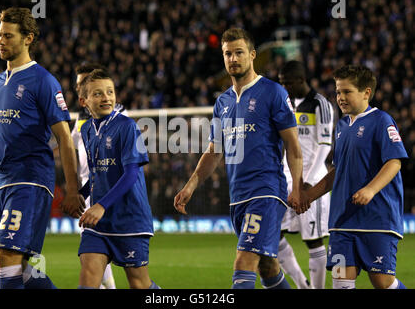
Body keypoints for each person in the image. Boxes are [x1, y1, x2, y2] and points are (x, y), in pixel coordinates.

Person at [174, 28, 308, 289]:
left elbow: (293, 146)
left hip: (266, 191)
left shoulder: (273, 93)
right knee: (267, 266)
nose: (233, 59)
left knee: (243, 261)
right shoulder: (222, 102)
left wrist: (298, 186)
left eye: (238, 53)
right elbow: (215, 150)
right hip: (238, 196)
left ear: (253, 55)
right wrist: (191, 184)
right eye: (228, 54)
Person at [0, 7, 84, 289]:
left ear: (28, 38)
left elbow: (64, 137)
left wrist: (71, 188)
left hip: (30, 181)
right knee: (18, 267)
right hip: (2, 184)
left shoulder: (43, 81)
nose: (1, 41)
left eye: (8, 35)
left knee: (8, 257)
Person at [292, 65, 408, 289]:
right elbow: (338, 171)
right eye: (338, 92)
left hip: (376, 220)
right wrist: (308, 195)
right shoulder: (342, 126)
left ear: (366, 92)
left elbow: (394, 162)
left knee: (382, 282)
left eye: (347, 92)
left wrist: (371, 190)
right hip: (342, 221)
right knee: (340, 284)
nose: (340, 98)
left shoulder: (381, 121)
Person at [76, 69, 159, 289]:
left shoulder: (127, 126)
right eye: (98, 94)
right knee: (88, 281)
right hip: (98, 224)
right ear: (84, 100)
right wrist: (79, 195)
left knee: (140, 284)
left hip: (129, 219)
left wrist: (100, 205)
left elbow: (131, 173)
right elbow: (97, 174)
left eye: (110, 92)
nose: (106, 97)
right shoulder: (86, 130)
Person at [277, 60, 334, 289]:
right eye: (281, 83)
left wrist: (308, 182)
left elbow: (324, 144)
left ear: (301, 80)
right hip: (287, 179)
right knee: (273, 235)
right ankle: (303, 285)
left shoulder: (321, 104)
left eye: (287, 83)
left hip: (312, 178)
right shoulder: (284, 103)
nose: (284, 87)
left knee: (313, 240)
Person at [71, 62, 128, 289]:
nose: (79, 88)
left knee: (137, 276)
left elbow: (130, 167)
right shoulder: (82, 120)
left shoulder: (118, 116)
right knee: (93, 253)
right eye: (78, 85)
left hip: (112, 192)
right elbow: (77, 151)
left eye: (84, 83)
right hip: (89, 190)